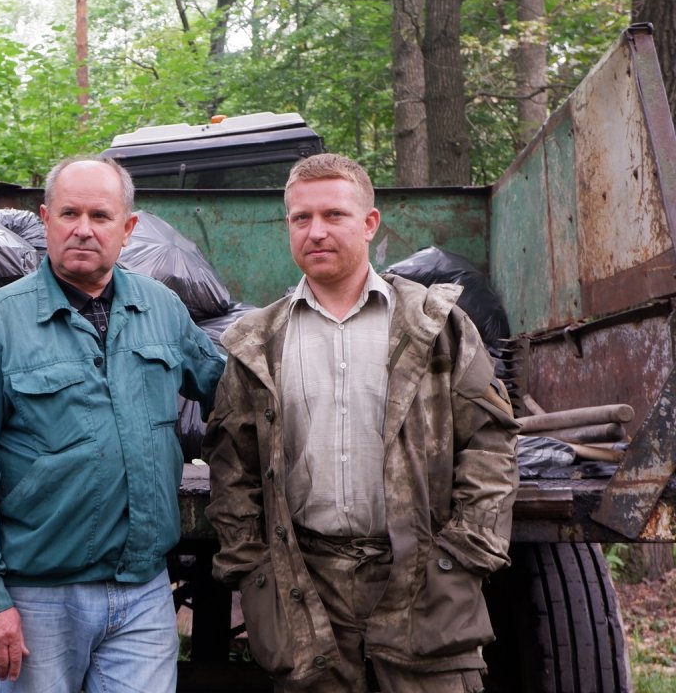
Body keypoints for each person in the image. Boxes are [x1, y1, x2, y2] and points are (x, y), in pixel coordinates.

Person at [203, 153, 518, 692]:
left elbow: (489, 446)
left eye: (334, 215)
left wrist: (461, 558)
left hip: (424, 586)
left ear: (370, 223)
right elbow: (233, 469)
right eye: (301, 218)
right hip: (307, 593)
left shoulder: (434, 326)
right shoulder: (258, 343)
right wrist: (255, 573)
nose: (316, 231)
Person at [0, 157, 224, 693]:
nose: (83, 229)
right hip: (38, 595)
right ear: (46, 219)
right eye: (69, 213)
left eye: (100, 215)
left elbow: (231, 400)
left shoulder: (162, 309)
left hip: (143, 591)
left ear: (128, 228)